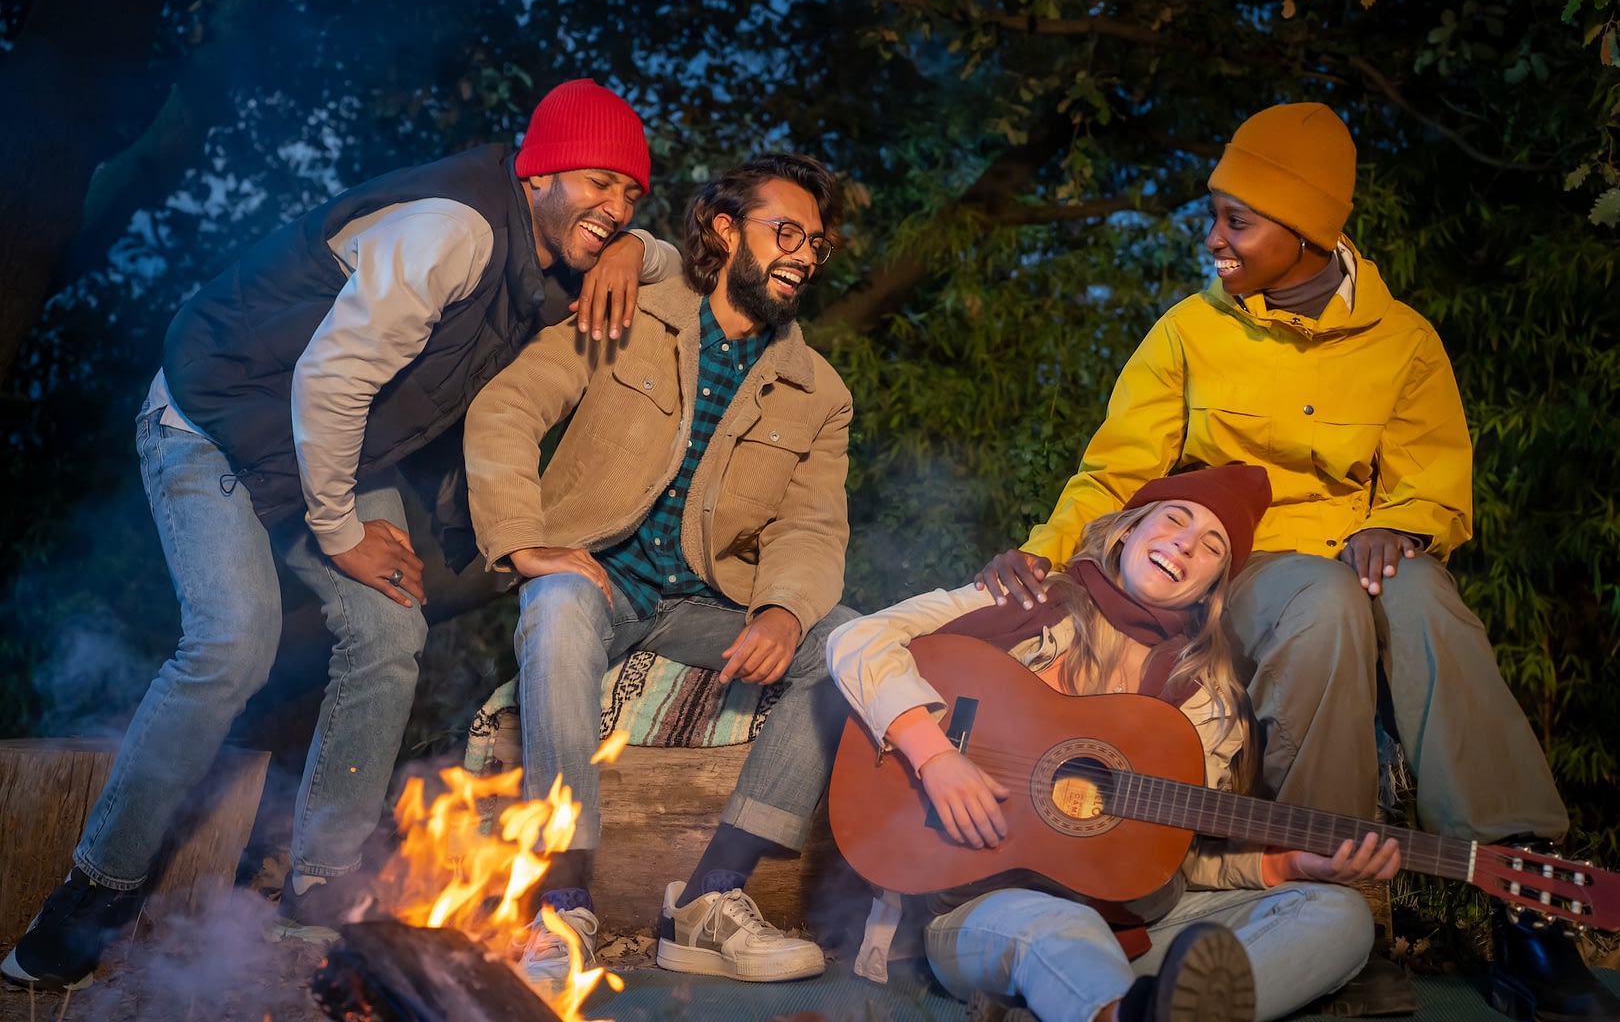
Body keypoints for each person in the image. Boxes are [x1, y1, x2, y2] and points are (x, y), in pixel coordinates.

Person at [2, 79, 681, 993]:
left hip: (335, 453)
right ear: (542, 170)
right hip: (215, 424)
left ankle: (317, 891)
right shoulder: (454, 230)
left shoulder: (557, 249)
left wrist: (635, 248)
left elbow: (675, 262)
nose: (616, 206)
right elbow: (329, 380)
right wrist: (340, 532)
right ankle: (94, 897)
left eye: (633, 193)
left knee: (390, 631)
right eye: (601, 183)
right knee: (234, 643)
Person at [975, 102, 1620, 1020]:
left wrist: (1400, 524)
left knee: (1424, 591)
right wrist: (1041, 558)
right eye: (1215, 213)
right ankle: (1335, 906)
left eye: (1237, 219)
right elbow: (1115, 471)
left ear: (1307, 231)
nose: (1214, 237)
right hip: (1226, 574)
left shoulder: (1403, 343)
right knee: (1322, 599)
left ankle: (1528, 906)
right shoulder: (1190, 332)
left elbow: (1433, 482)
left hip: (1348, 569)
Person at [464, 152, 857, 986]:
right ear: (724, 228)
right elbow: (507, 406)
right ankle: (562, 904)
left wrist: (785, 612)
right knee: (559, 599)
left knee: (849, 643)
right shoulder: (631, 305)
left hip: (705, 604)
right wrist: (523, 539)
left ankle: (712, 899)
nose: (800, 255)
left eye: (814, 244)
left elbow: (812, 526)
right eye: (784, 231)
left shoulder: (819, 392)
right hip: (597, 582)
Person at [828, 465, 1399, 1022]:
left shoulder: (1208, 701)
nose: (1183, 545)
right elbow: (858, 637)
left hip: (1133, 924)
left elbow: (1174, 859)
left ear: (1214, 588)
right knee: (1058, 926)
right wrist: (935, 755)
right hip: (983, 909)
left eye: (1211, 547)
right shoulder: (1028, 600)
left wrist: (1283, 866)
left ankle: (1129, 1008)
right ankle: (1116, 1004)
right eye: (1174, 519)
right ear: (1127, 528)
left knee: (1338, 913)